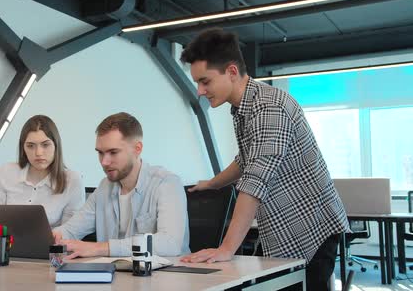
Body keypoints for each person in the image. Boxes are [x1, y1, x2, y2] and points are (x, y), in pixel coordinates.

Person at [178, 28, 349, 291]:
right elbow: (245, 160)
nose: (200, 91)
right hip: (285, 229)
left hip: (310, 228)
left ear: (232, 72)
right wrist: (213, 184)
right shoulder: (243, 108)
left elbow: (255, 181)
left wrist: (226, 248)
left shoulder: (269, 108)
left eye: (205, 81)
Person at [52, 112, 190, 258]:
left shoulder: (167, 183)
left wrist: (101, 248)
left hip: (167, 277)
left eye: (113, 152)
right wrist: (48, 237)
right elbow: (71, 230)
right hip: (117, 276)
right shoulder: (104, 188)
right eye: (100, 153)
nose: (104, 162)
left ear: (137, 149)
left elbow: (170, 244)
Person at [0, 115, 85, 227]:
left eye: (45, 145)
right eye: (30, 146)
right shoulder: (6, 171)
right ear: (23, 148)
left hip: (50, 244)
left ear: (56, 145)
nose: (38, 153)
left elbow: (70, 233)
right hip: (7, 243)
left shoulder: (72, 180)